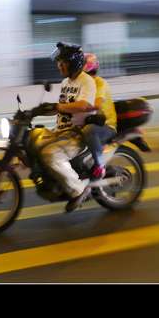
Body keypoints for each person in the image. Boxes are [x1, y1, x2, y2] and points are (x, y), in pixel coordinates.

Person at [38, 42, 97, 213]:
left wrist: (57, 106)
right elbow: (63, 107)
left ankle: (78, 190)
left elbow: (84, 105)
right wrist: (38, 110)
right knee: (33, 141)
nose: (59, 66)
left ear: (73, 63)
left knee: (50, 154)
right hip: (61, 131)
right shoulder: (65, 82)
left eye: (62, 63)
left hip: (77, 133)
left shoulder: (86, 81)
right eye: (59, 63)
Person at [82, 53, 117, 180]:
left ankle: (99, 165)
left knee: (89, 131)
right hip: (91, 122)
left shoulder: (99, 83)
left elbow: (96, 104)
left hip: (106, 126)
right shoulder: (83, 85)